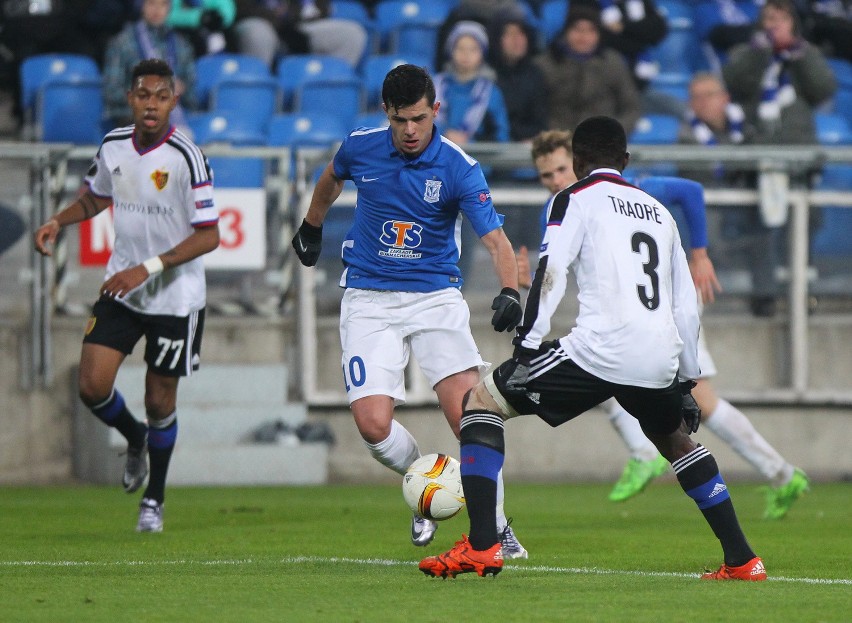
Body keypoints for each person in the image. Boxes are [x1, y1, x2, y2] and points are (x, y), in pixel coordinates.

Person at [420, 115, 767, 582]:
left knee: (479, 404)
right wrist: (685, 381)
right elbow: (686, 307)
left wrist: (525, 347)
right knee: (674, 438)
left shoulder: (574, 197)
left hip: (601, 350)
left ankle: (483, 546)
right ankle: (743, 559)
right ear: (625, 160)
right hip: (658, 354)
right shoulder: (658, 211)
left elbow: (552, 271)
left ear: (577, 161)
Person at [290, 63, 527, 557]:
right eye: (401, 121)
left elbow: (496, 239)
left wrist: (509, 290)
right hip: (369, 298)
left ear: (435, 110)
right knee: (373, 425)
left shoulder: (458, 166)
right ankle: (429, 486)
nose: (411, 130)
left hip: (434, 297)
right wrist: (312, 225)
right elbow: (331, 177)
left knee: (471, 416)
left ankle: (499, 528)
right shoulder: (361, 145)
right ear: (386, 114)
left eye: (419, 118)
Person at [527, 128, 810, 517]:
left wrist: (700, 254)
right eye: (547, 176)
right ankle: (774, 472)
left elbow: (690, 192)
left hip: (666, 309)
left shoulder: (633, 192)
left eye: (562, 169)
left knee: (700, 401)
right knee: (619, 374)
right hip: (634, 320)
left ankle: (773, 471)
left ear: (578, 162)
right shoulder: (562, 207)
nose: (557, 180)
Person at [33, 58, 220, 532]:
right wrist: (60, 220)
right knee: (91, 386)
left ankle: (153, 500)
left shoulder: (186, 156)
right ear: (130, 99)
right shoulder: (114, 145)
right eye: (143, 95)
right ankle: (134, 438)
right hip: (123, 286)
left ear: (173, 101)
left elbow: (209, 235)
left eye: (161, 96)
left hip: (175, 298)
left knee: (160, 400)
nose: (151, 104)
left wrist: (149, 267)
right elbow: (97, 197)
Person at [534, 5, 642, 134]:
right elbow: (533, 110)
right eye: (577, 29)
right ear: (566, 31)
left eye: (591, 30)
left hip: (603, 144)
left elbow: (631, 108)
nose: (583, 36)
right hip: (557, 142)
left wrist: (613, 134)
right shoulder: (545, 64)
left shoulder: (613, 63)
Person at [103, 0, 198, 130]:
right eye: (151, 3)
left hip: (175, 118)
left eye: (163, 4)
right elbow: (111, 92)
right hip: (132, 120)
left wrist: (181, 89)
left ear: (169, 8)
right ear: (142, 6)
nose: (157, 10)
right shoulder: (122, 43)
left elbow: (192, 97)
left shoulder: (181, 45)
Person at [434, 20, 511, 146]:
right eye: (460, 48)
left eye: (473, 49)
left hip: (478, 161)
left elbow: (501, 136)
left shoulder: (492, 93)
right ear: (451, 51)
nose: (466, 54)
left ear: (482, 54)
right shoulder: (434, 86)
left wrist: (471, 142)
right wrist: (445, 134)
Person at [233, 0, 367, 70]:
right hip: (260, 21)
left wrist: (293, 17)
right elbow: (239, 8)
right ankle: (256, 90)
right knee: (258, 33)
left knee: (351, 34)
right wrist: (280, 21)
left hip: (297, 25)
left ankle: (326, 90)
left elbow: (321, 9)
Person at [490, 11, 549, 142]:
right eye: (509, 34)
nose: (516, 39)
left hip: (525, 149)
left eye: (521, 33)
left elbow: (540, 122)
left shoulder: (536, 75)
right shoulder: (487, 75)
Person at [167, 0, 236, 56]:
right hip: (185, 30)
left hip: (216, 27)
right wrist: (198, 17)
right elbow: (168, 15)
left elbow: (226, 6)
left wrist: (221, 18)